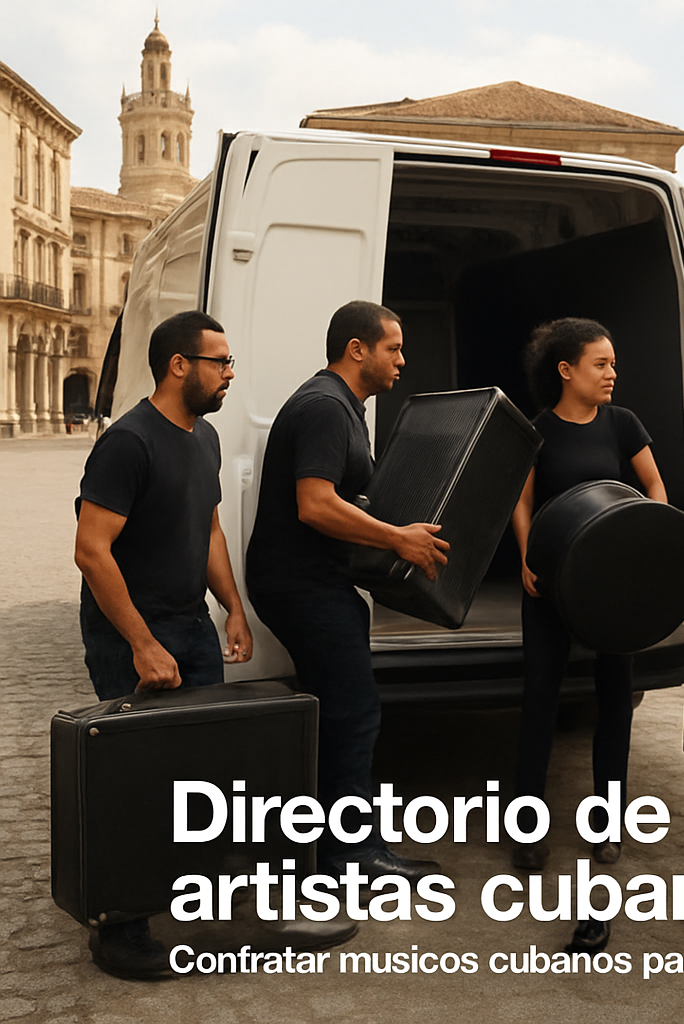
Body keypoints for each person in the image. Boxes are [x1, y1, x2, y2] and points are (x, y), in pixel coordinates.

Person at [74, 310, 255, 977]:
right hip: (132, 633)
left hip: (190, 624)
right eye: (221, 362)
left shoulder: (203, 438)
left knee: (203, 768)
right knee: (136, 777)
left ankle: (195, 892)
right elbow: (92, 553)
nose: (231, 374)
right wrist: (143, 645)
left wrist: (233, 608)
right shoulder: (128, 443)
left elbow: (208, 531)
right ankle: (119, 930)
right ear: (180, 364)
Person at [246, 300, 449, 887]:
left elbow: (345, 495)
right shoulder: (325, 407)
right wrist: (397, 539)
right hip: (301, 585)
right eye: (394, 348)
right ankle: (351, 858)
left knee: (336, 712)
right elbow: (315, 504)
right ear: (356, 350)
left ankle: (328, 848)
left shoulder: (342, 407)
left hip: (312, 583)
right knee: (354, 714)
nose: (403, 360)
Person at [510, 317, 668, 953]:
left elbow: (654, 487)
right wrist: (526, 556)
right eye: (600, 363)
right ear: (565, 370)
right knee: (540, 699)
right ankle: (525, 826)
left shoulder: (623, 424)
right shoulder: (536, 431)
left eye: (613, 364)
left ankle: (610, 820)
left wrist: (652, 536)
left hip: (615, 584)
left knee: (615, 700)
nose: (611, 374)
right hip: (552, 583)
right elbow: (521, 501)